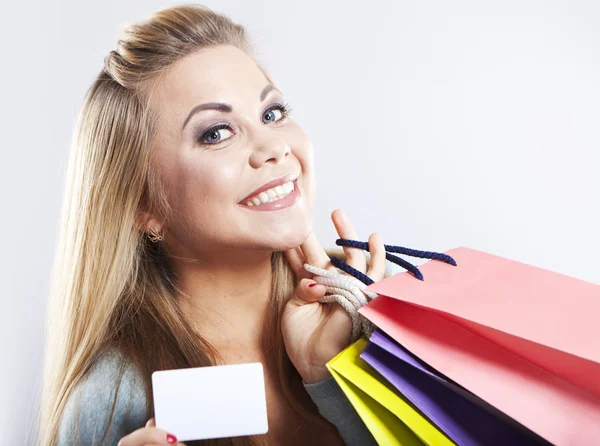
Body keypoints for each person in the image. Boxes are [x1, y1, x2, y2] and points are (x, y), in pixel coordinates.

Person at [39, 4, 387, 445]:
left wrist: (334, 375)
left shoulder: (381, 314)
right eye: (216, 133)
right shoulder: (111, 398)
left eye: (272, 113)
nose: (274, 147)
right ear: (144, 204)